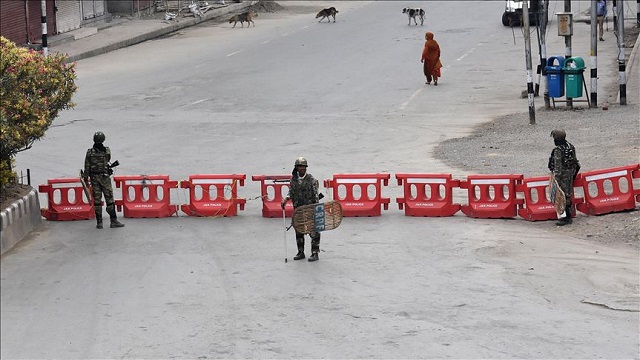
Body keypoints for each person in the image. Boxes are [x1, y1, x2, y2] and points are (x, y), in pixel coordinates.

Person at [281, 157, 321, 262]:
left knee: (313, 231)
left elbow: (316, 195)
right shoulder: (293, 180)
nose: (302, 169)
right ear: (297, 168)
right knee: (298, 230)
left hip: (309, 208)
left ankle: (315, 252)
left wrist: (316, 208)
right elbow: (291, 191)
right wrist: (286, 199)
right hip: (298, 208)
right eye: (300, 167)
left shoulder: (312, 180)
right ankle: (300, 251)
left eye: (304, 167)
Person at [84, 131, 125, 229]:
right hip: (104, 178)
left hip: (94, 178)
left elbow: (87, 166)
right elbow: (108, 158)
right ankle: (113, 220)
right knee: (109, 199)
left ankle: (99, 222)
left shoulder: (89, 152)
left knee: (97, 200)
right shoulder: (107, 151)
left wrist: (86, 178)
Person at [548, 130, 581, 226]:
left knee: (562, 196)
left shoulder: (558, 150)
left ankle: (566, 217)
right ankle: (568, 216)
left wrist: (556, 180)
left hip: (563, 176)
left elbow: (558, 166)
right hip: (570, 173)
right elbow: (576, 162)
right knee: (567, 194)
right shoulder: (570, 146)